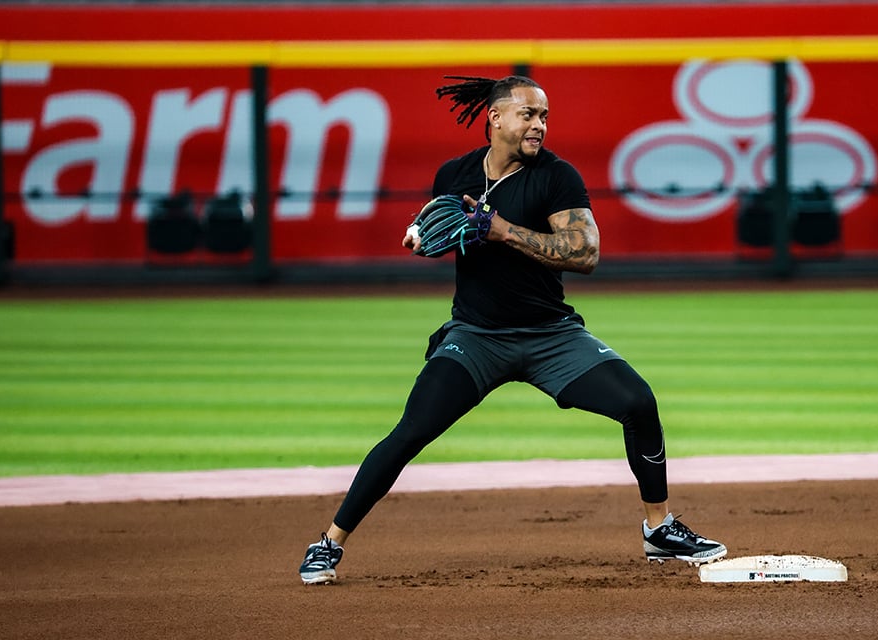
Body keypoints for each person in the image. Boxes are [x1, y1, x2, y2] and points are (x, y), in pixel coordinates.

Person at [298, 75, 727, 585]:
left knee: (638, 401)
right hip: (477, 337)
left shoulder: (555, 177)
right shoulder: (454, 174)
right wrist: (424, 235)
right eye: (528, 115)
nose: (539, 125)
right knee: (411, 432)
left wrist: (501, 229)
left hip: (552, 337)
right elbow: (442, 228)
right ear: (495, 118)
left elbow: (584, 253)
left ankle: (659, 529)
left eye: (544, 116)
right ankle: (329, 542)